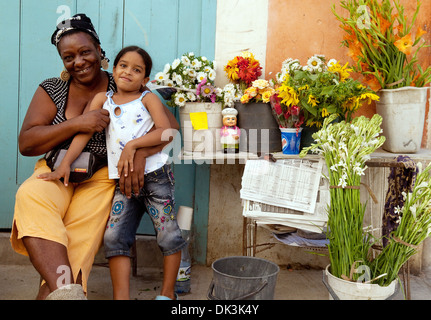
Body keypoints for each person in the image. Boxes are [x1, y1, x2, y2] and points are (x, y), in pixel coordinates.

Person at [10, 14, 178, 300]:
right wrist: (77, 123)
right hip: (57, 168)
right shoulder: (52, 88)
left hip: (101, 175)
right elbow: (27, 143)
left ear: (100, 51)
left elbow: (170, 129)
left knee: (80, 233)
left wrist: (138, 152)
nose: (79, 61)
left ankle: (60, 292)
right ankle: (65, 292)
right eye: (69, 56)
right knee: (30, 196)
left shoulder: (124, 82)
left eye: (85, 52)